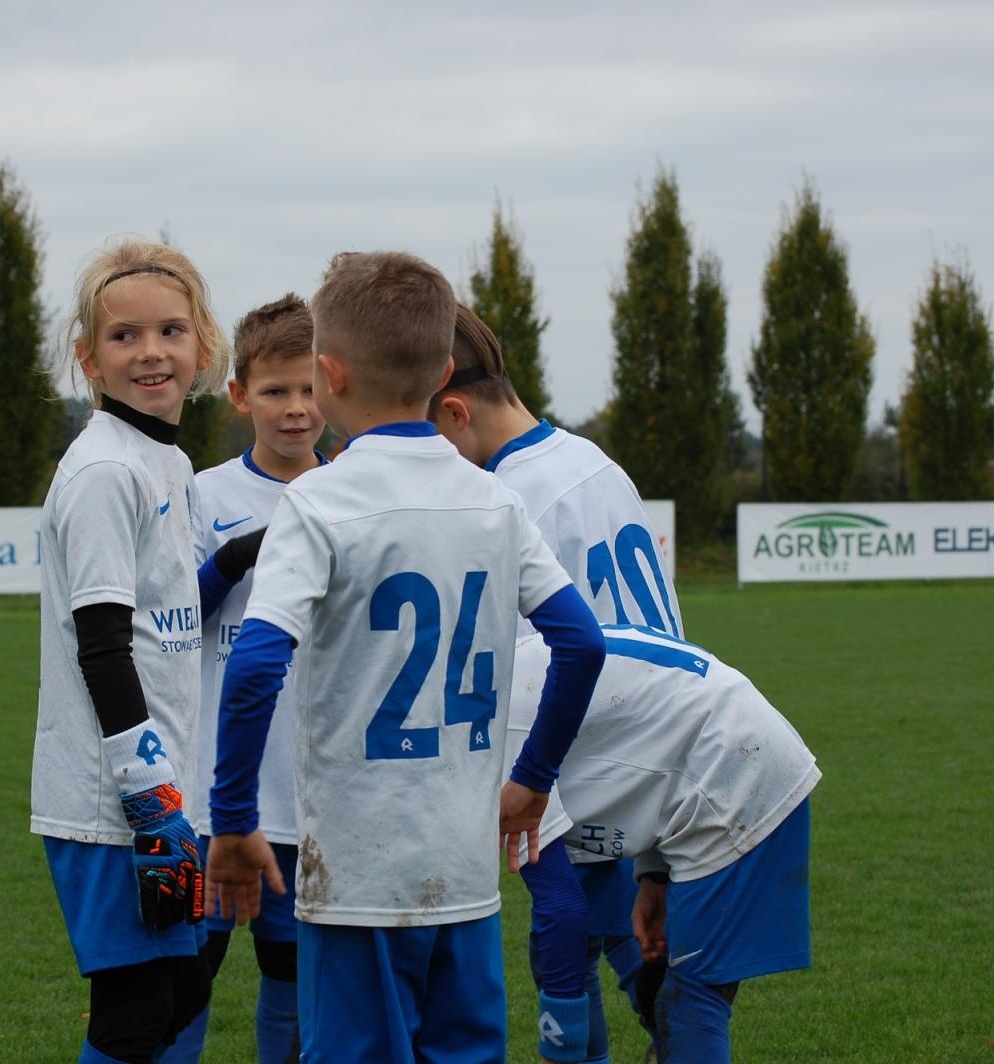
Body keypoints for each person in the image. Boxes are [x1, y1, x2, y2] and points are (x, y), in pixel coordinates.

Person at [207, 250, 606, 1064]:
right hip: (461, 876)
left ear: (328, 374)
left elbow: (253, 667)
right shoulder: (494, 499)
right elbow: (582, 642)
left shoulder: (319, 498)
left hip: (355, 876)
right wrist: (532, 780)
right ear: (443, 369)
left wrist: (233, 821)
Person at [431, 304, 680, 1057]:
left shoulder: (506, 499)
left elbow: (521, 653)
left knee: (565, 936)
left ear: (452, 408)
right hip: (655, 737)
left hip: (572, 743)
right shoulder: (595, 462)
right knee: (612, 932)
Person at [33, 240, 230, 1064]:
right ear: (87, 359)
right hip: (114, 804)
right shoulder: (104, 472)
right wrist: (152, 799)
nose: (150, 351)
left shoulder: (170, 461)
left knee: (177, 998)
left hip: (165, 794)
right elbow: (104, 646)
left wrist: (244, 558)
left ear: (202, 348)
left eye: (171, 330)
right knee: (135, 1015)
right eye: (124, 337)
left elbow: (167, 613)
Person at [510, 624, 819, 1064]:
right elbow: (652, 735)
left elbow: (561, 907)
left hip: (738, 767)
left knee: (692, 999)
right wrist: (654, 875)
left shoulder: (484, 736)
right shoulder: (496, 677)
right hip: (722, 742)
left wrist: (559, 1048)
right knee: (672, 988)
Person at [192, 293, 326, 1062]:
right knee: (184, 976)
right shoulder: (204, 496)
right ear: (241, 394)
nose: (296, 409)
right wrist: (233, 559)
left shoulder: (351, 491)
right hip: (213, 796)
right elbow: (170, 622)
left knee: (295, 979)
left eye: (310, 389)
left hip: (311, 801)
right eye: (276, 390)